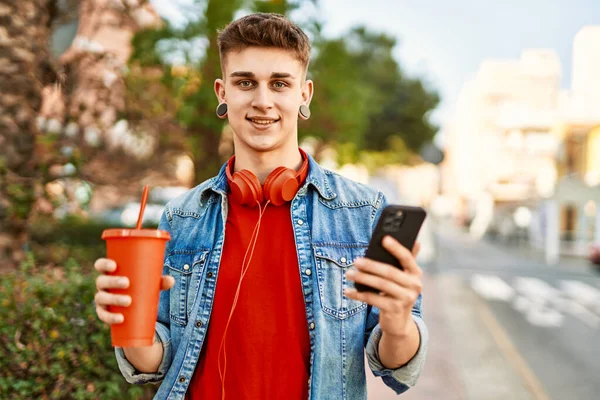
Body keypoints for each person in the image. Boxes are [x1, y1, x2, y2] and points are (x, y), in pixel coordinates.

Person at [93, 12, 428, 400]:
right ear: (223, 92)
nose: (262, 101)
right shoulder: (183, 215)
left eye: (280, 83)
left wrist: (399, 320)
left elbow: (396, 368)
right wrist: (129, 320)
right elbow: (153, 363)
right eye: (246, 82)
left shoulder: (363, 213)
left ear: (304, 94)